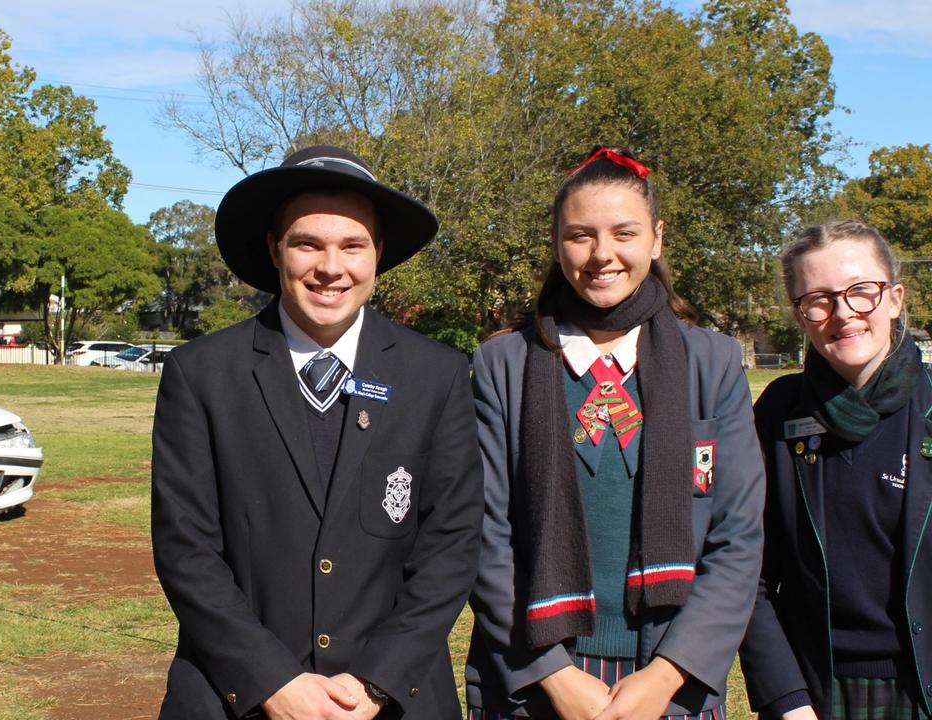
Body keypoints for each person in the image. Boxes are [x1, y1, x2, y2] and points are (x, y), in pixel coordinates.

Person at [151, 145, 483, 719]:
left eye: (353, 245)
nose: (331, 267)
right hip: (237, 697)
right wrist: (273, 682)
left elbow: (450, 547)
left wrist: (374, 684)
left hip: (389, 699)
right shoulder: (201, 374)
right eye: (308, 244)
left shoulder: (438, 376)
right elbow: (187, 550)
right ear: (275, 249)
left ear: (378, 253)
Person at [464, 146, 765, 720]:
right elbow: (483, 536)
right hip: (536, 676)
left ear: (656, 239)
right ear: (557, 243)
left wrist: (665, 676)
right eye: (581, 235)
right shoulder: (503, 364)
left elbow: (739, 538)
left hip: (670, 676)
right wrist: (555, 678)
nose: (602, 255)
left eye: (623, 233)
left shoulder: (714, 362)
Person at [739, 220, 932, 720]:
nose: (843, 313)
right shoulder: (778, 413)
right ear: (801, 316)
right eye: (819, 299)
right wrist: (787, 698)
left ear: (894, 299)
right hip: (816, 693)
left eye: (861, 292)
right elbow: (747, 573)